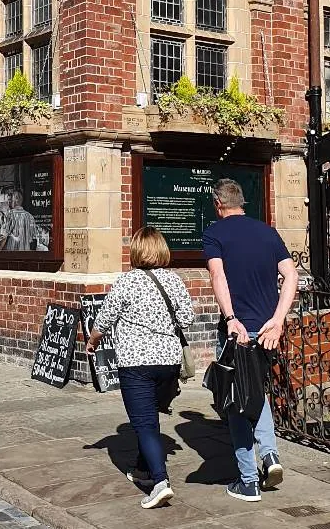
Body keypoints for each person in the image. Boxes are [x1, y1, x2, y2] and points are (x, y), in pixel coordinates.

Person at [202, 178, 299, 503]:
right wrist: (278, 319)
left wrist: (231, 320)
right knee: (256, 394)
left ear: (218, 204)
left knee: (236, 402)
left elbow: (218, 276)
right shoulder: (267, 232)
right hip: (267, 331)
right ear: (242, 201)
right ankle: (270, 456)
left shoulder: (215, 233)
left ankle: (248, 481)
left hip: (238, 332)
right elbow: (292, 276)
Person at [86, 227, 194, 509]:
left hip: (136, 364)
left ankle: (161, 482)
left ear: (135, 251)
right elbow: (187, 318)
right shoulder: (174, 281)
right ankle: (144, 470)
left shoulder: (127, 282)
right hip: (168, 363)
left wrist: (93, 341)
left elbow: (104, 319)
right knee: (151, 419)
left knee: (144, 423)